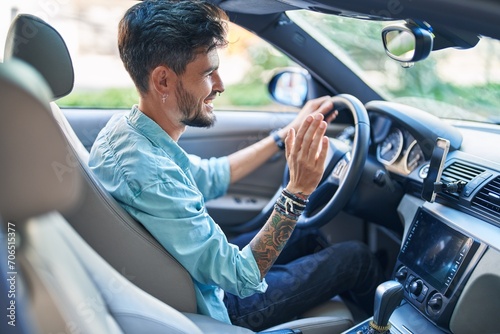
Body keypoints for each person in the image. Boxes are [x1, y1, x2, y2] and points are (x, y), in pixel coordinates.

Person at [89, 0, 383, 331]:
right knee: (356, 258)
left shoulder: (128, 133)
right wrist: (298, 190)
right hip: (217, 306)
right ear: (163, 81)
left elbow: (211, 177)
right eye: (207, 72)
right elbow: (241, 277)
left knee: (310, 233)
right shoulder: (152, 174)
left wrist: (282, 137)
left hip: (199, 276)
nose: (220, 84)